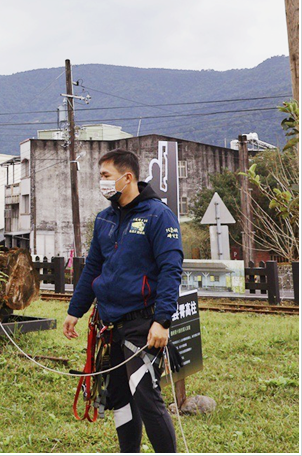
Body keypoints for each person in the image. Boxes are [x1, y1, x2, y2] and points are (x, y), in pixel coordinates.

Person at [63, 149, 183, 453]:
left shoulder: (159, 215)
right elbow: (93, 267)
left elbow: (171, 269)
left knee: (146, 396)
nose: (101, 182)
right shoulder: (104, 219)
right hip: (109, 325)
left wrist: (163, 321)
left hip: (143, 323)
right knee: (119, 398)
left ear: (127, 177)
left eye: (106, 176)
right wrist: (75, 310)